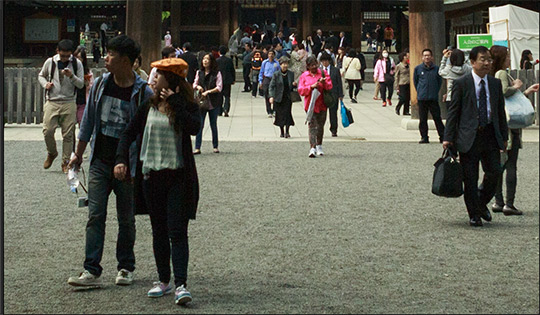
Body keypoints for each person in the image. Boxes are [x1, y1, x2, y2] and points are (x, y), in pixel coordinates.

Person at [66, 35, 153, 288]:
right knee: (95, 215)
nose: (106, 58)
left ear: (125, 61)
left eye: (111, 54)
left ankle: (126, 266)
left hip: (128, 164)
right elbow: (89, 122)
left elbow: (143, 132)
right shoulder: (101, 84)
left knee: (126, 218)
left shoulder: (143, 92)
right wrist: (78, 154)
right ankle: (91, 269)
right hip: (100, 161)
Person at [114, 57, 201, 305]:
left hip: (177, 177)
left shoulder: (186, 106)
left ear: (169, 79)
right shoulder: (147, 107)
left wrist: (175, 101)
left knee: (177, 230)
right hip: (151, 176)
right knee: (158, 231)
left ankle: (181, 284)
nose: (152, 79)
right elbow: (128, 133)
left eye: (157, 75)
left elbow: (194, 128)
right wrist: (121, 159)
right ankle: (164, 280)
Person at [443, 45, 509, 227]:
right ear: (472, 62)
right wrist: (447, 138)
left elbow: (500, 112)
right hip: (468, 136)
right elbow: (453, 113)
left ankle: (480, 203)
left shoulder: (494, 83)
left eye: (489, 60)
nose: (487, 63)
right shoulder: (461, 83)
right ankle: (474, 213)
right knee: (470, 178)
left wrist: (504, 136)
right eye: (483, 59)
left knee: (494, 172)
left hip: (489, 134)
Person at [490, 45, 540, 216]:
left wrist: (526, 91)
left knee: (500, 164)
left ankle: (498, 201)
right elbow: (505, 92)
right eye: (507, 56)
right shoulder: (502, 73)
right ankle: (508, 203)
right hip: (510, 127)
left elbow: (509, 101)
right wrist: (518, 86)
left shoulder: (492, 75)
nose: (510, 58)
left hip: (502, 123)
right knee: (510, 164)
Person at [38, 39, 85, 173]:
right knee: (48, 130)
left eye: (67, 55)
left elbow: (81, 84)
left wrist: (72, 76)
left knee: (68, 134)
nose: (65, 58)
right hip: (52, 100)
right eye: (62, 55)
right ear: (57, 51)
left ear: (72, 53)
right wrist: (45, 84)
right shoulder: (50, 62)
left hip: (69, 101)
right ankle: (52, 152)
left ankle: (66, 162)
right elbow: (41, 76)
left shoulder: (77, 64)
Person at [298, 56, 332, 158]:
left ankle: (319, 145)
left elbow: (330, 86)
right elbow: (301, 90)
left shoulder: (323, 73)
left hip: (322, 103)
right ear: (307, 66)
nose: (314, 67)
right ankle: (312, 147)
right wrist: (311, 87)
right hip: (310, 104)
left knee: (320, 125)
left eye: (315, 64)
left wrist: (323, 82)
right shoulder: (304, 76)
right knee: (312, 126)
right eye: (312, 65)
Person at [193, 53, 223, 154]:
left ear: (211, 61)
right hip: (201, 101)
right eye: (204, 59)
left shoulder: (216, 73)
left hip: (213, 101)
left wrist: (209, 91)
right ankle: (197, 147)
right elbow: (194, 84)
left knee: (213, 124)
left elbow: (219, 87)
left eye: (207, 59)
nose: (205, 61)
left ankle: (215, 145)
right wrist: (198, 87)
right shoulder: (199, 72)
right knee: (200, 124)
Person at [413, 48, 444, 143]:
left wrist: (434, 92)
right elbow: (415, 82)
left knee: (437, 118)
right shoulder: (418, 69)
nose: (427, 57)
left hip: (433, 98)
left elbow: (439, 82)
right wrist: (420, 91)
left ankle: (442, 136)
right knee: (422, 119)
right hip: (422, 98)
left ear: (432, 57)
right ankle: (424, 137)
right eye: (425, 55)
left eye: (428, 55)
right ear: (422, 57)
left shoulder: (436, 69)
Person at [268, 56, 296, 138]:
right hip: (279, 98)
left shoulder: (291, 74)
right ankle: (282, 131)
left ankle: (287, 131)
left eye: (286, 64)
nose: (285, 65)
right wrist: (271, 96)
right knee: (280, 115)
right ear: (280, 65)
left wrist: (294, 85)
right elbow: (271, 86)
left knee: (287, 114)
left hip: (287, 98)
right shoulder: (276, 74)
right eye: (283, 64)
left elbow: (292, 85)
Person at [320, 52, 343, 137]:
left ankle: (334, 129)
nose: (325, 63)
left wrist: (340, 94)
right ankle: (320, 129)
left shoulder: (335, 70)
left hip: (333, 94)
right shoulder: (319, 71)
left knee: (333, 113)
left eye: (326, 61)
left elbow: (339, 83)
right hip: (323, 95)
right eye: (323, 61)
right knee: (322, 113)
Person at [73, 47, 94, 125]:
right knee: (69, 126)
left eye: (80, 57)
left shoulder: (87, 72)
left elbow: (92, 85)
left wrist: (88, 84)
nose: (78, 60)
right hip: (71, 100)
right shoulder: (70, 70)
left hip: (83, 101)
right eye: (76, 57)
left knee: (82, 122)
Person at [258, 50, 280, 117]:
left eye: (272, 54)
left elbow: (279, 71)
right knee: (267, 95)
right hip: (267, 79)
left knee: (275, 95)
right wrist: (260, 81)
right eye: (269, 54)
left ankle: (274, 110)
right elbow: (261, 72)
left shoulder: (276, 63)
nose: (271, 55)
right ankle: (269, 111)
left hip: (274, 79)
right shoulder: (265, 62)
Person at [216, 45, 236, 117]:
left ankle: (219, 111)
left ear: (219, 52)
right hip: (228, 80)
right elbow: (232, 70)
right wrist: (233, 79)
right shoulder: (229, 60)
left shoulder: (217, 61)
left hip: (219, 81)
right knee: (227, 96)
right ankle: (226, 109)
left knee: (219, 96)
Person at [394, 51, 410, 115]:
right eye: (406, 56)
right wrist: (396, 85)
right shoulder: (399, 66)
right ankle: (398, 107)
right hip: (402, 83)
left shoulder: (409, 65)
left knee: (408, 98)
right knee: (403, 97)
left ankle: (406, 111)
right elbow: (396, 76)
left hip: (408, 82)